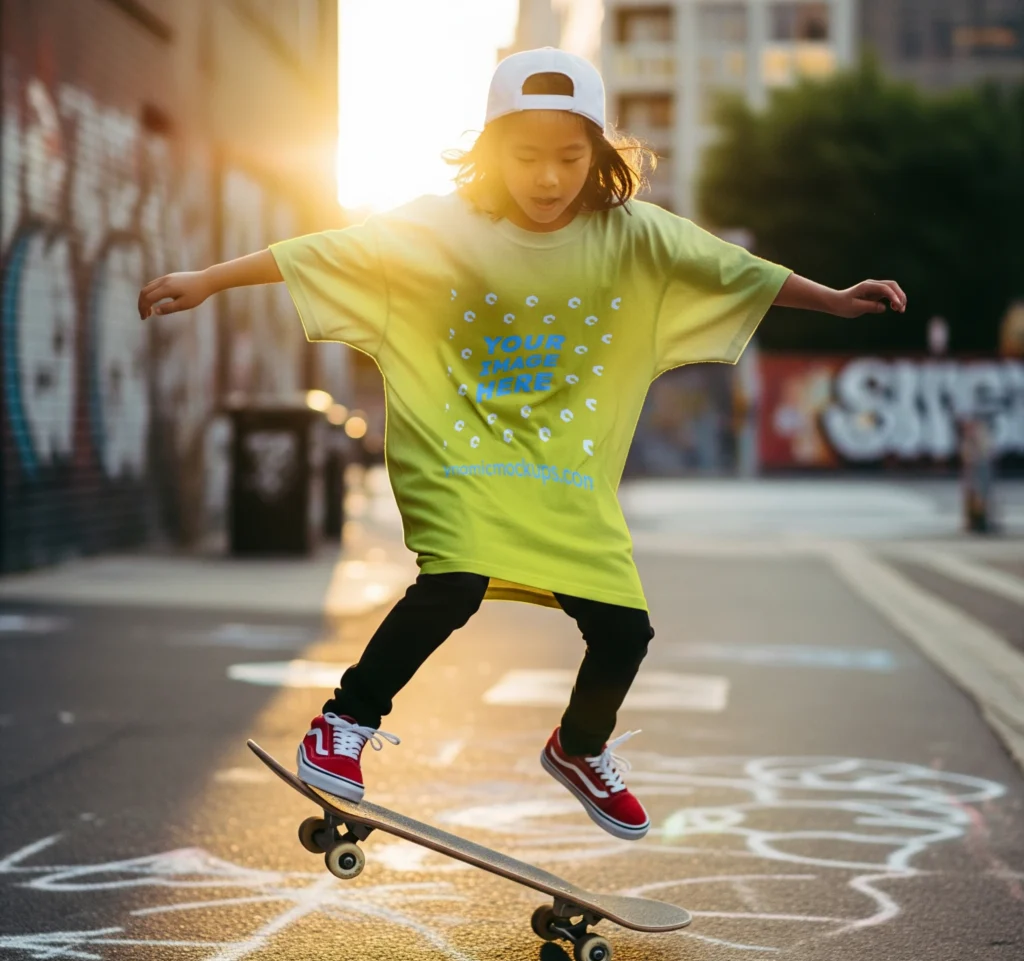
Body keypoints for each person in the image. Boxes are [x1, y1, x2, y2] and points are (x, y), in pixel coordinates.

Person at [137, 49, 906, 841]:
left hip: (562, 478)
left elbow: (738, 271)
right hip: (460, 457)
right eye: (526, 156)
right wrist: (210, 279)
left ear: (599, 155)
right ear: (492, 150)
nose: (548, 178)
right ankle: (344, 723)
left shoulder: (633, 234)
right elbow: (328, 251)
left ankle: (579, 748)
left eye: (570, 157)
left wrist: (836, 302)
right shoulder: (442, 224)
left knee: (623, 632)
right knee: (454, 583)